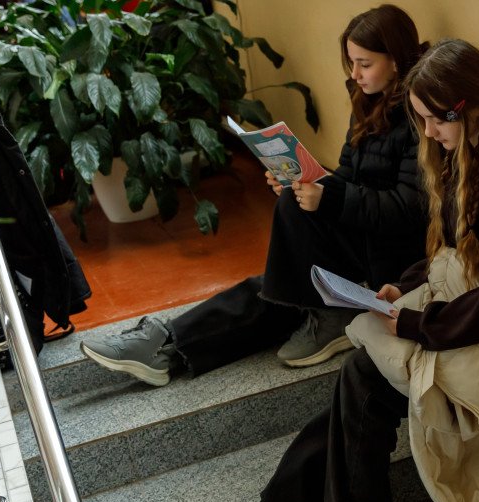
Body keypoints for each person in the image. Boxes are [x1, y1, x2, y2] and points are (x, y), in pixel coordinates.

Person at [211, 38, 479, 502]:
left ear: (468, 107)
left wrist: (415, 324)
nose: (429, 134)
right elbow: (455, 250)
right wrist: (404, 287)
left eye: (435, 120)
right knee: (361, 384)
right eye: (422, 120)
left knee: (364, 380)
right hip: (471, 303)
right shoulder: (477, 144)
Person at [79, 5, 428, 385]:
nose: (354, 74)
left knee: (282, 283)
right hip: (361, 234)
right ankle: (166, 346)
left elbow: (409, 208)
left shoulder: (420, 116)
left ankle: (168, 343)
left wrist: (329, 196)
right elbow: (349, 175)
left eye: (364, 64)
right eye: (351, 63)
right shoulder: (369, 101)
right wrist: (306, 180)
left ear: (396, 61)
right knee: (281, 272)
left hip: (391, 256)